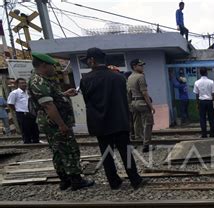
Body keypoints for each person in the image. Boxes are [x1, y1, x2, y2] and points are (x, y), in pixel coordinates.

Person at [80, 48, 145, 190]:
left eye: (87, 60)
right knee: (125, 151)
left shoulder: (85, 80)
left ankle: (114, 182)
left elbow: (87, 101)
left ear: (92, 60)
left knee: (106, 153)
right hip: (119, 120)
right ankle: (135, 179)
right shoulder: (119, 77)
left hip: (100, 122)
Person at [28, 52, 94, 191]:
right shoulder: (38, 81)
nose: (54, 68)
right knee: (69, 149)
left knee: (58, 150)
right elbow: (48, 105)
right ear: (44, 65)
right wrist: (62, 125)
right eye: (52, 65)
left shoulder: (42, 80)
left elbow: (51, 98)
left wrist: (64, 94)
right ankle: (76, 180)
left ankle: (65, 180)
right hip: (54, 123)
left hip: (51, 123)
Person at [127, 59, 155, 152]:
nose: (142, 67)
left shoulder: (130, 77)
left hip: (133, 103)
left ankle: (139, 141)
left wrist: (130, 104)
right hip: (142, 102)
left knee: (137, 124)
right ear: (134, 67)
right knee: (148, 123)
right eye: (140, 65)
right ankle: (146, 145)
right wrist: (151, 106)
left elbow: (129, 93)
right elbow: (144, 93)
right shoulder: (140, 77)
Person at [7, 78, 40, 143]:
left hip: (31, 113)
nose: (24, 84)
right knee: (25, 129)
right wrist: (17, 110)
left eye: (24, 83)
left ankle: (36, 141)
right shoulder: (14, 93)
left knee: (34, 128)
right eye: (22, 83)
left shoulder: (28, 92)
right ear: (17, 84)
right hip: (22, 113)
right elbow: (10, 104)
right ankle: (27, 142)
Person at [193, 67, 214, 138]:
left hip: (201, 102)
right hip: (209, 102)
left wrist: (197, 103)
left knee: (202, 118)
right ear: (207, 72)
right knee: (211, 118)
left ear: (200, 73)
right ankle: (212, 134)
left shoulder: (196, 82)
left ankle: (204, 134)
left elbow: (197, 94)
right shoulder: (211, 82)